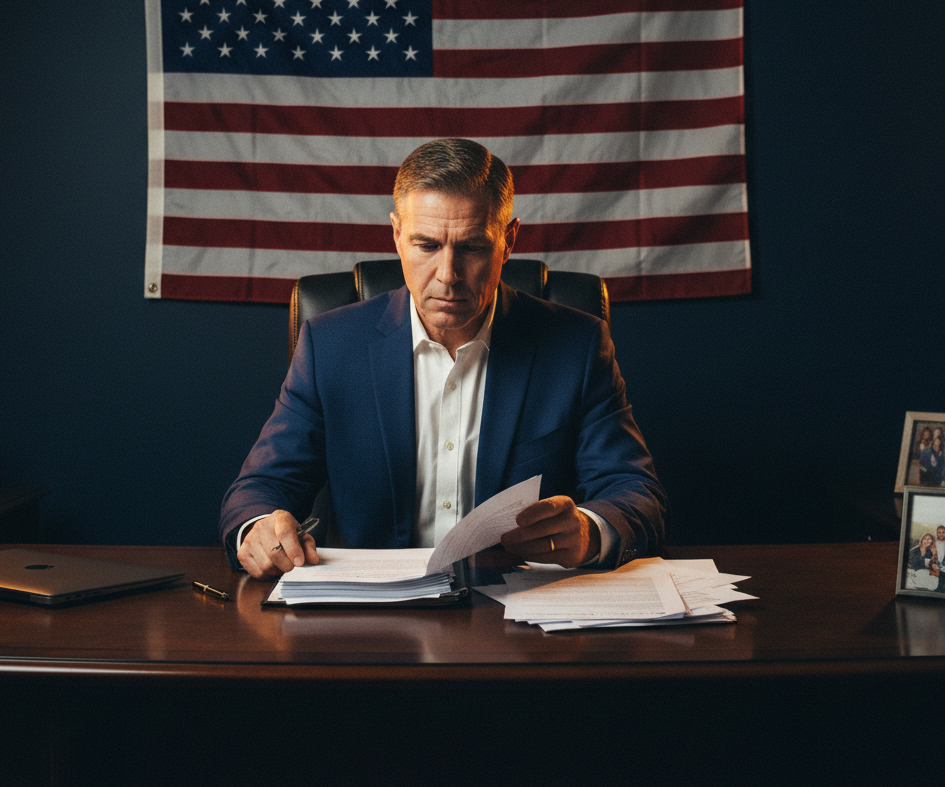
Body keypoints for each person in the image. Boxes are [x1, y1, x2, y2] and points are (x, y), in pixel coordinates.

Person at [220, 138, 668, 579]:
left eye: (472, 247)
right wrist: (258, 529)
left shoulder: (577, 345)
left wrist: (590, 532)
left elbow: (634, 493)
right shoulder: (330, 346)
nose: (448, 275)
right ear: (397, 236)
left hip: (518, 620)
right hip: (371, 618)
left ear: (508, 241)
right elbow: (261, 488)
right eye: (427, 245)